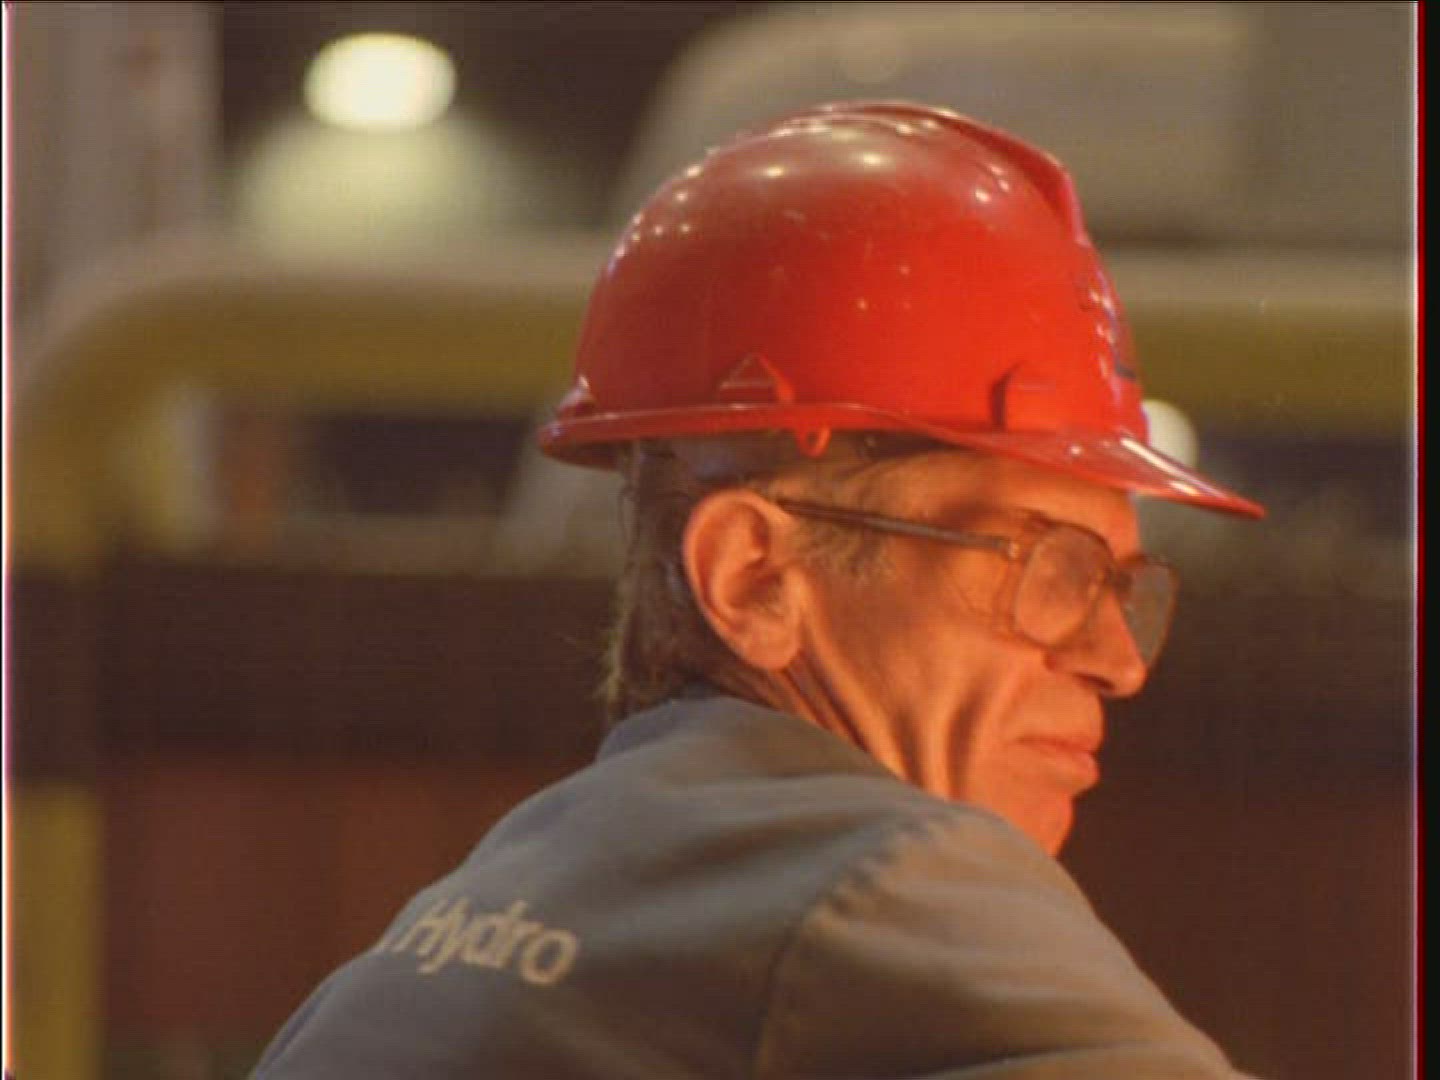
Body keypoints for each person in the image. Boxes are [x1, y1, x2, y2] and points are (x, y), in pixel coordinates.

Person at [253, 100, 1266, 1078]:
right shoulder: (892, 880)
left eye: (1121, 588)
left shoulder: (452, 923)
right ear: (755, 577)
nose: (1118, 660)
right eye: (1052, 568)